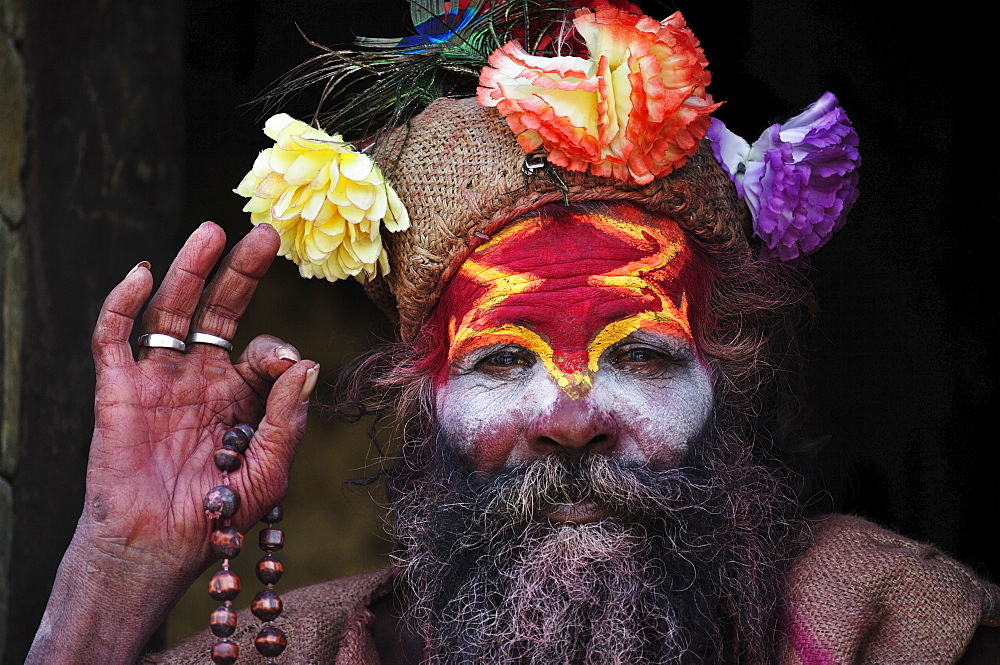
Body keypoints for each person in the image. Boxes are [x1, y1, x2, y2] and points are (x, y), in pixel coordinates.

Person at [26, 2, 1000, 664]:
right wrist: (120, 562)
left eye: (642, 353)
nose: (570, 417)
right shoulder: (317, 646)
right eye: (500, 357)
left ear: (726, 384)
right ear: (424, 401)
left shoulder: (887, 620)